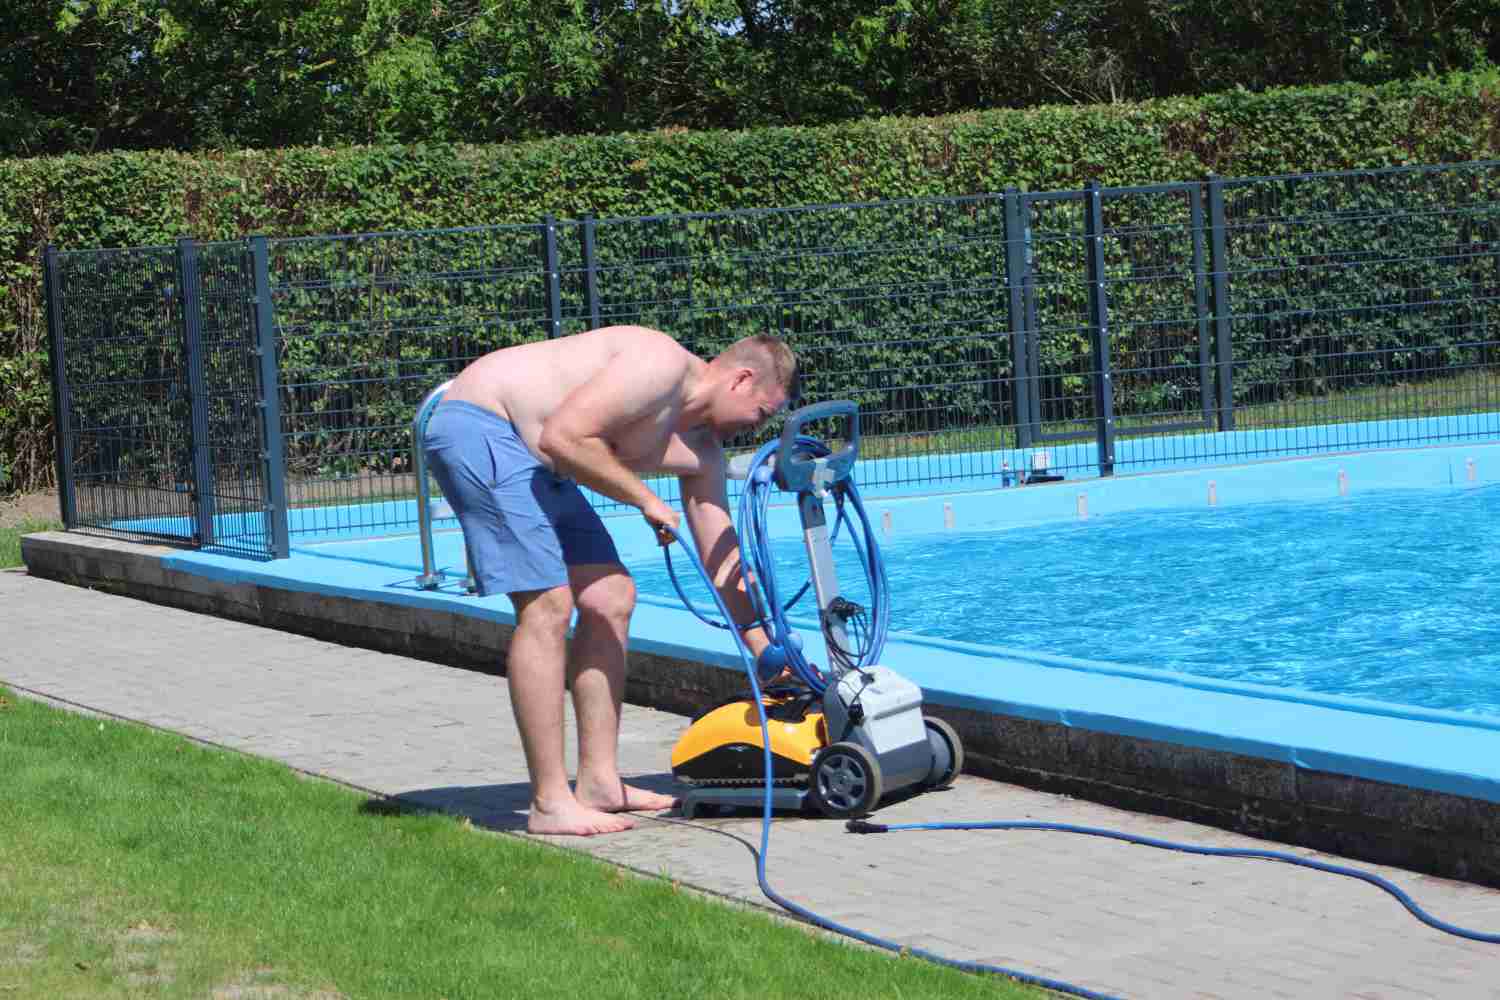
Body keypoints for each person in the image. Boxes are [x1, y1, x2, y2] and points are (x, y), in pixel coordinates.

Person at [423, 325, 798, 836]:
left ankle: (599, 782)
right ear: (741, 379)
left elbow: (719, 554)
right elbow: (563, 436)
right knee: (548, 604)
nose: (758, 427)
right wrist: (645, 499)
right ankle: (549, 803)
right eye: (763, 412)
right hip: (483, 424)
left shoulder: (701, 448)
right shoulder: (660, 365)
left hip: (540, 459)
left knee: (611, 595)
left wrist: (763, 649)